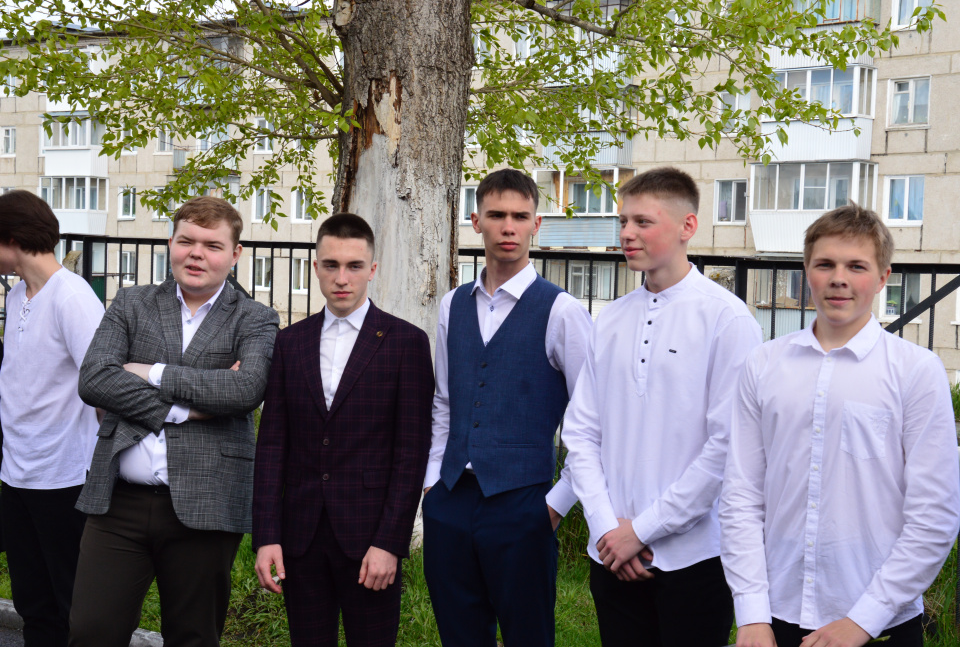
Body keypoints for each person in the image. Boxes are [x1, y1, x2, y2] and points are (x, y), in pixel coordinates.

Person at [720, 204, 960, 647]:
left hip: (878, 621)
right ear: (806, 271)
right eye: (825, 264)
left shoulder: (915, 371)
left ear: (883, 277)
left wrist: (864, 620)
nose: (839, 278)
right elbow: (741, 495)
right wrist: (751, 612)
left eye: (856, 266)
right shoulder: (763, 364)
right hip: (775, 614)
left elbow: (934, 515)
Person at [560, 166, 762, 647]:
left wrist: (643, 530)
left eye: (643, 222)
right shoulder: (611, 318)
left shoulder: (727, 320)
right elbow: (581, 433)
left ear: (687, 226)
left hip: (694, 558)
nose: (627, 233)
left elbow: (727, 447)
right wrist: (608, 529)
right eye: (623, 221)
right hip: (611, 554)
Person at [69, 196, 280, 647]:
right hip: (118, 503)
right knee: (90, 631)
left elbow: (245, 390)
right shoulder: (132, 302)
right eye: (186, 241)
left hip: (207, 502)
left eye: (212, 245)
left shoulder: (256, 318)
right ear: (170, 244)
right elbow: (95, 379)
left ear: (235, 254)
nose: (196, 253)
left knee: (193, 636)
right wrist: (182, 409)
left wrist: (151, 372)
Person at [422, 168, 593, 647]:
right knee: (459, 634)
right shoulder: (452, 304)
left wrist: (556, 505)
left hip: (524, 502)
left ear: (537, 224)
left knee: (528, 635)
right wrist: (432, 486)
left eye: (520, 216)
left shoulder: (562, 311)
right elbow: (444, 401)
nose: (508, 227)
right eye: (497, 215)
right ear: (476, 221)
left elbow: (592, 419)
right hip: (451, 498)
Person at [253, 213, 434, 647]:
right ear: (315, 267)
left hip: (370, 539)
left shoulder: (406, 342)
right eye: (331, 265)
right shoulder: (290, 342)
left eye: (354, 266)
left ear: (372, 269)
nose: (341, 278)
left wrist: (390, 542)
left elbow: (412, 453)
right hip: (301, 537)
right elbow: (272, 444)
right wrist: (267, 536)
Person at [0, 190, 105, 647]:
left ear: (12, 239)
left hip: (64, 478)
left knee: (71, 605)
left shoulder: (73, 297)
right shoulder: (16, 295)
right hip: (16, 473)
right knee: (32, 602)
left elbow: (104, 384)